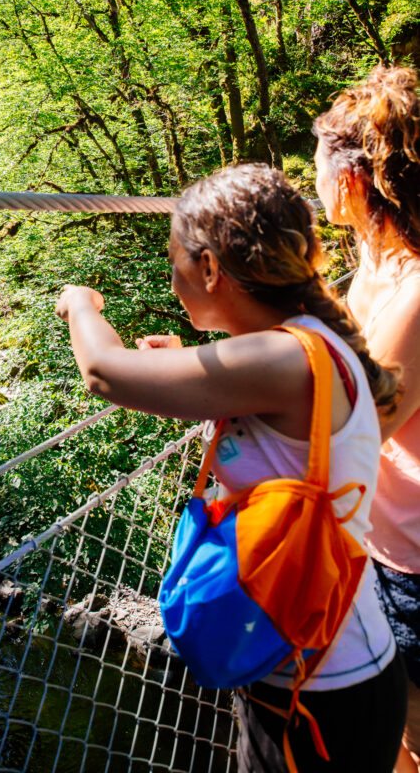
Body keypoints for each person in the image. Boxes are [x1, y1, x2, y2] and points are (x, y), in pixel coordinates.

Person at [55, 163, 406, 772]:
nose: (171, 280)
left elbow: (102, 371)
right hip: (321, 663)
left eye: (175, 263)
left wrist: (81, 305)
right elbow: (254, 385)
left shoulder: (284, 358)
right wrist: (189, 362)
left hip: (320, 691)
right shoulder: (298, 342)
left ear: (212, 268)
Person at [314, 64, 420, 773]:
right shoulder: (373, 264)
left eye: (316, 161)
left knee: (412, 732)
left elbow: (362, 422)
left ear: (350, 181)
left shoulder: (414, 286)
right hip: (377, 543)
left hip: (414, 561)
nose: (310, 177)